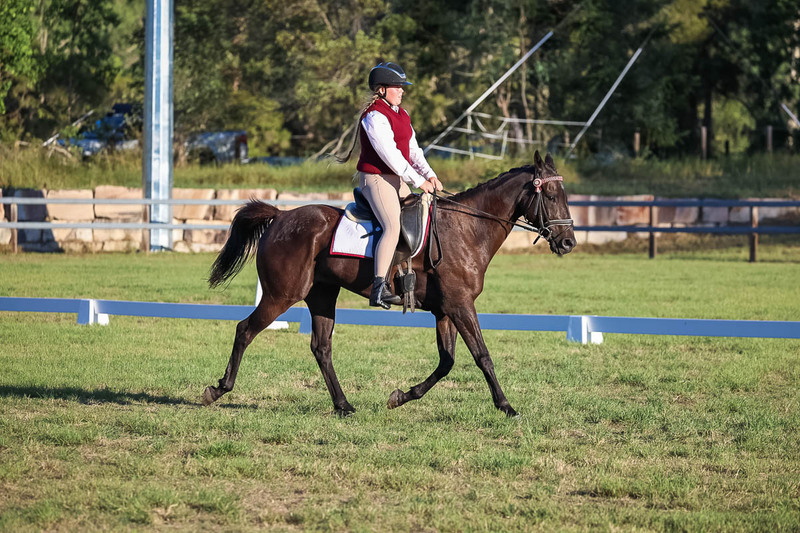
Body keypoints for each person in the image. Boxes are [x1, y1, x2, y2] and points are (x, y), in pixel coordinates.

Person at [354, 62, 443, 309]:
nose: (402, 90)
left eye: (403, 86)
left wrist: (431, 175)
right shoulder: (374, 116)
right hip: (377, 179)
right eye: (397, 86)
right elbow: (391, 156)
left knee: (427, 213)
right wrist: (419, 181)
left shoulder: (402, 115)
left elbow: (414, 151)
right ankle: (379, 287)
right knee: (392, 226)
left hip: (398, 179)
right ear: (381, 90)